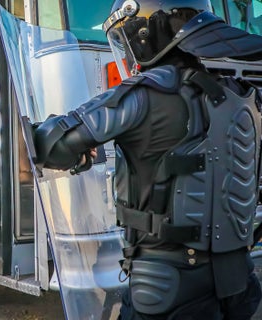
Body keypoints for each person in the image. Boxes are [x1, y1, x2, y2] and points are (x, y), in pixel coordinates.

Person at [32, 0, 262, 318]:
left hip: (166, 282)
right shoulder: (243, 93)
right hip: (239, 279)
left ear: (145, 34)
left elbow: (51, 144)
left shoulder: (143, 95)